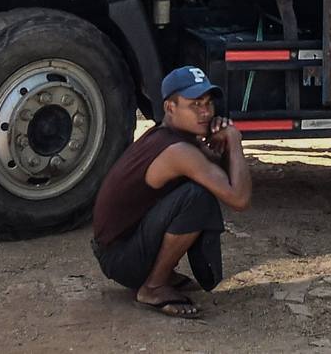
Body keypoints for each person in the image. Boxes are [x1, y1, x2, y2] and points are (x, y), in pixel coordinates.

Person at [91, 66, 252, 318]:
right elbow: (239, 198)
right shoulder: (178, 151)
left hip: (116, 249)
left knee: (198, 190)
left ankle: (158, 272)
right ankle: (153, 286)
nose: (206, 112)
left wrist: (217, 146)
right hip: (120, 259)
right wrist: (234, 140)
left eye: (208, 103)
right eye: (195, 104)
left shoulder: (169, 136)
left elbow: (215, 171)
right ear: (170, 108)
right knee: (197, 197)